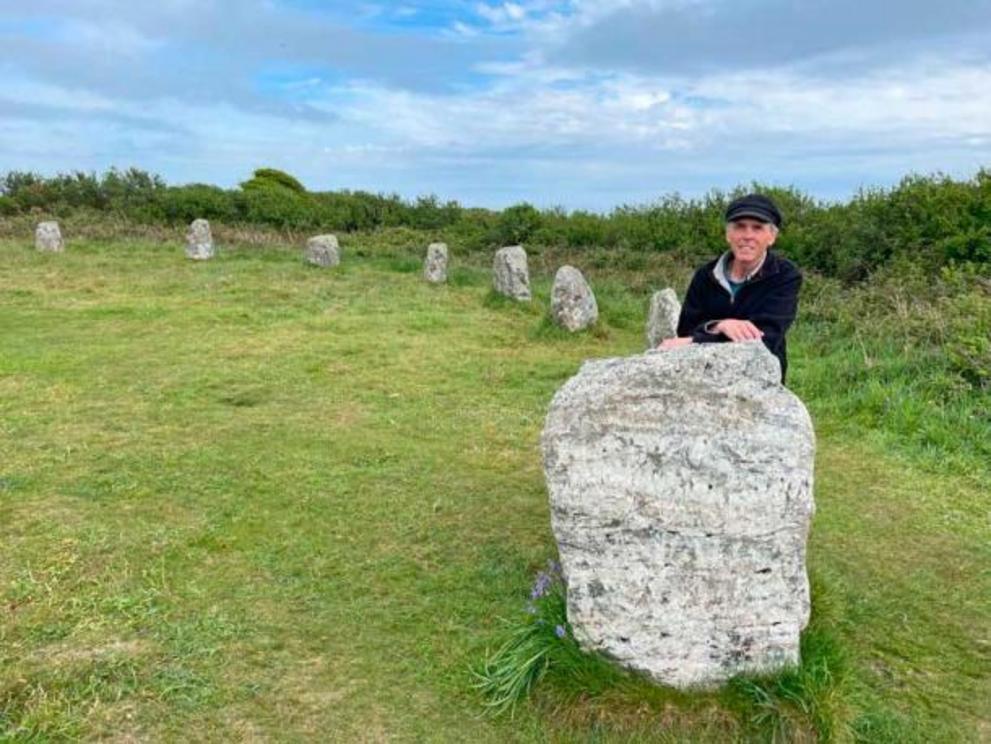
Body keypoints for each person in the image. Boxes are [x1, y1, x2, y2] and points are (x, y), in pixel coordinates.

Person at [659, 193, 802, 382]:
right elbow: (685, 329)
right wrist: (719, 325)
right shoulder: (706, 275)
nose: (747, 236)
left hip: (761, 380)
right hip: (705, 377)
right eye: (739, 227)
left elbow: (766, 338)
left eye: (757, 228)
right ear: (728, 234)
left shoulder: (784, 275)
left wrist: (698, 339)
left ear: (771, 237)